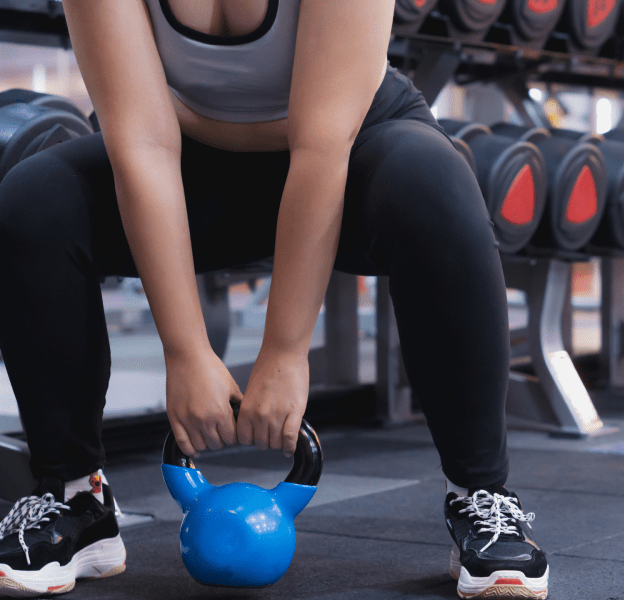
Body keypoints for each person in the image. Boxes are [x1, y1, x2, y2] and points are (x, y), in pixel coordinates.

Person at [0, 0, 549, 598]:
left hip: (351, 152)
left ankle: (482, 494)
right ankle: (75, 497)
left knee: (433, 181)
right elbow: (142, 144)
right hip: (190, 160)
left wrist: (285, 352)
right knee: (34, 202)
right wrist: (185, 350)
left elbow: (320, 145)